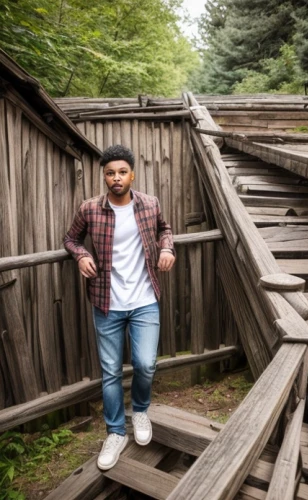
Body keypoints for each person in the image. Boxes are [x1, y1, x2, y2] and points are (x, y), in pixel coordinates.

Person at [64, 144, 175, 470]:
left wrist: (167, 247)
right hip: (106, 303)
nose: (116, 178)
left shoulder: (150, 204)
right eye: (110, 173)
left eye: (122, 172)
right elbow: (70, 239)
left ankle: (140, 411)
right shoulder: (89, 209)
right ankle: (115, 432)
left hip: (144, 301)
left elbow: (165, 230)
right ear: (104, 175)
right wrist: (81, 254)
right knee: (110, 372)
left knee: (145, 364)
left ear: (132, 174)